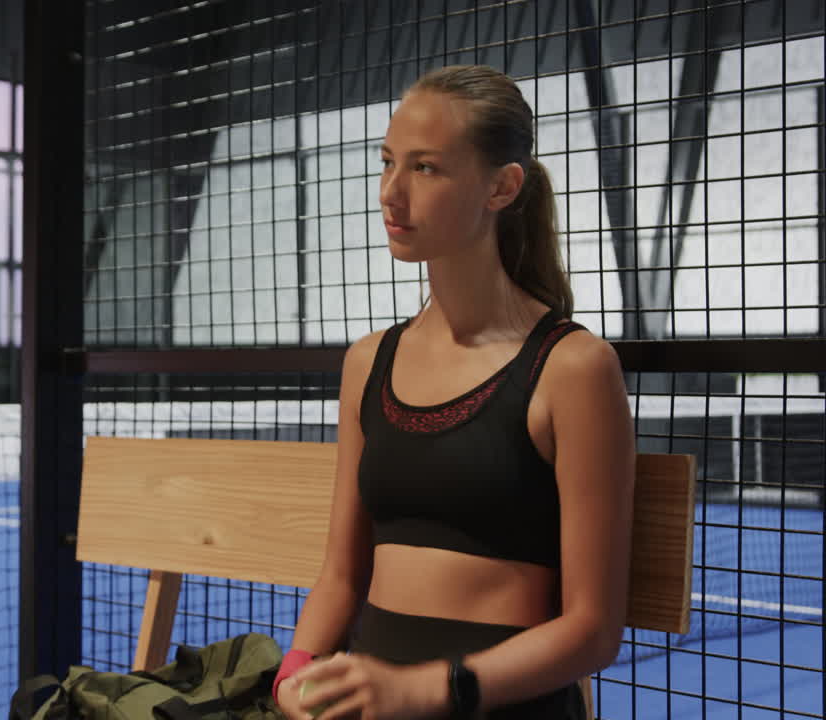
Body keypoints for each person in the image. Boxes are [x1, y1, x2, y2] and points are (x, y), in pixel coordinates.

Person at [272, 65, 636, 720]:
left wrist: (428, 689)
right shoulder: (367, 362)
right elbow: (341, 574)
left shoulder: (573, 369)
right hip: (365, 704)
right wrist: (293, 677)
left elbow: (592, 630)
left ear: (502, 187)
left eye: (426, 169)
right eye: (387, 163)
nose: (391, 192)